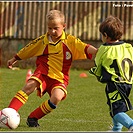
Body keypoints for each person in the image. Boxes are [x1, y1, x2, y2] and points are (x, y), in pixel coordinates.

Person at [6, 10, 97, 127]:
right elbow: (28, 49)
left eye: (55, 28)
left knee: (57, 97)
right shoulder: (42, 41)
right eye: (49, 28)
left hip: (60, 78)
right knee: (29, 86)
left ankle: (33, 117)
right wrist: (14, 59)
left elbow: (85, 47)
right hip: (43, 72)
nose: (52, 31)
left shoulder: (70, 41)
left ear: (64, 26)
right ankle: (8, 114)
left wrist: (98, 51)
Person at [89, 15, 133, 132]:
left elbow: (98, 65)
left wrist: (97, 75)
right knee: (115, 106)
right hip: (128, 83)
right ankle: (116, 129)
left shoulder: (104, 49)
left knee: (116, 110)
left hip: (115, 83)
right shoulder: (128, 47)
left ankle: (131, 124)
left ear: (105, 35)